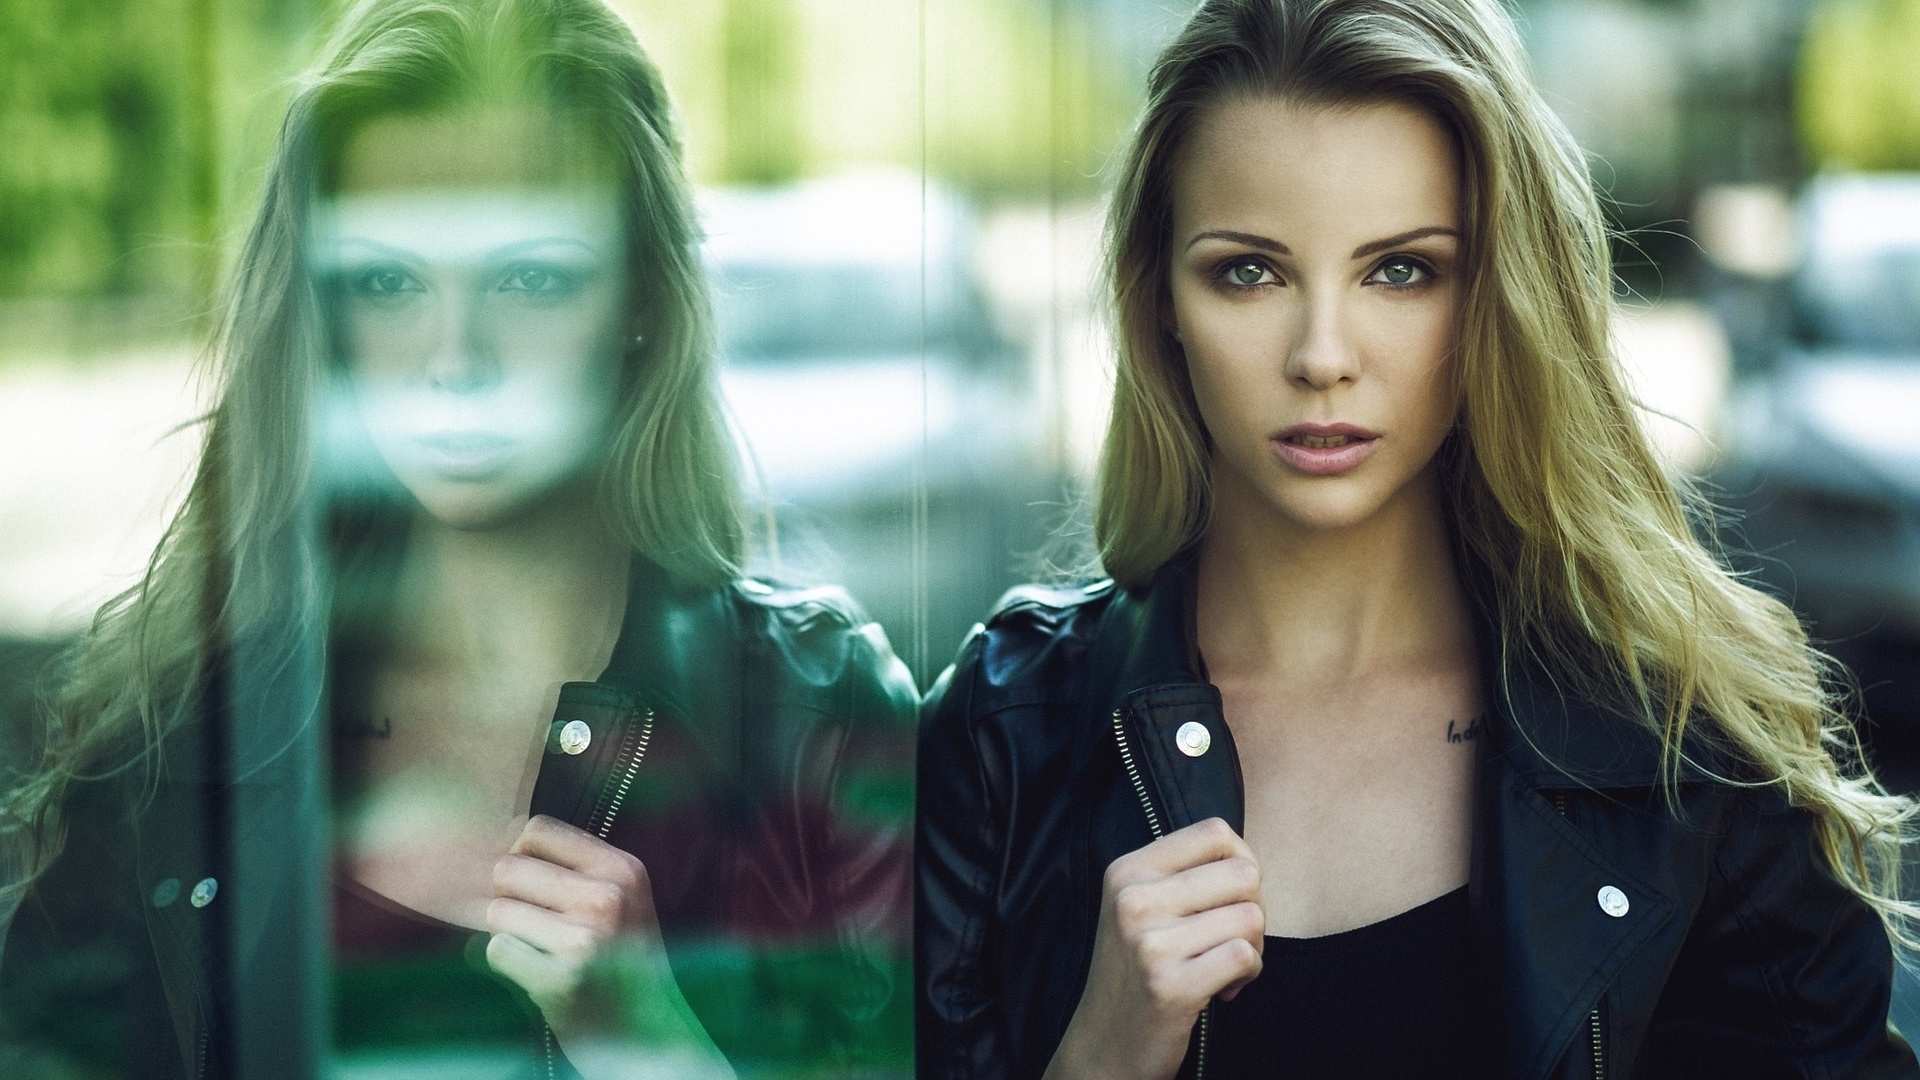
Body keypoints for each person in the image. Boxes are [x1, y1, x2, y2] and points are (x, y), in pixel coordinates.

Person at [914, 0, 1918, 1077]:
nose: (1323, 354)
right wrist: (1101, 1059)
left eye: (1400, 269)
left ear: (1494, 294)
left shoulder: (1685, 739)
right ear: (1158, 296)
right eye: (1249, 270)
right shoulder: (1005, 734)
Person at [0, 1, 915, 1077]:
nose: (454, 359)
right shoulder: (177, 727)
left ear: (641, 295)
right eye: (388, 282)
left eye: (530, 276)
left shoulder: (814, 713)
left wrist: (653, 1048)